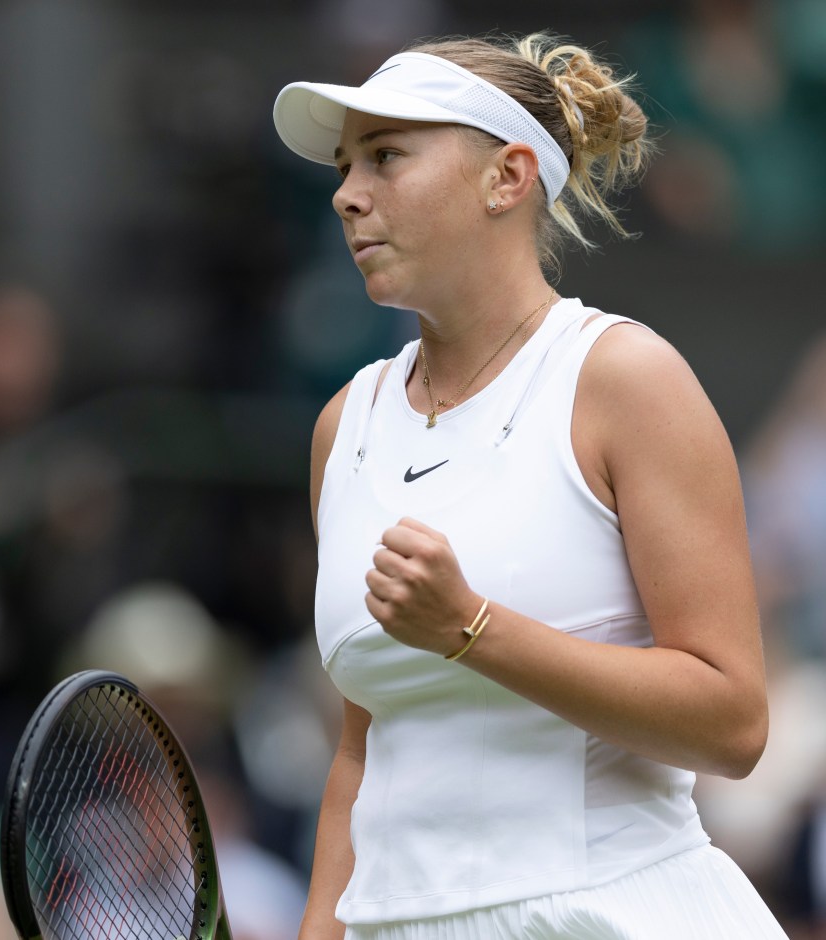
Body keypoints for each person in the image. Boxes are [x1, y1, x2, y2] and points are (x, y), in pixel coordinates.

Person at [271, 31, 788, 940]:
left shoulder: (626, 380)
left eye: (386, 156)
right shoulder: (342, 428)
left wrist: (472, 630)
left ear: (506, 178)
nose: (349, 194)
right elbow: (362, 752)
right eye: (347, 166)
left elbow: (733, 723)